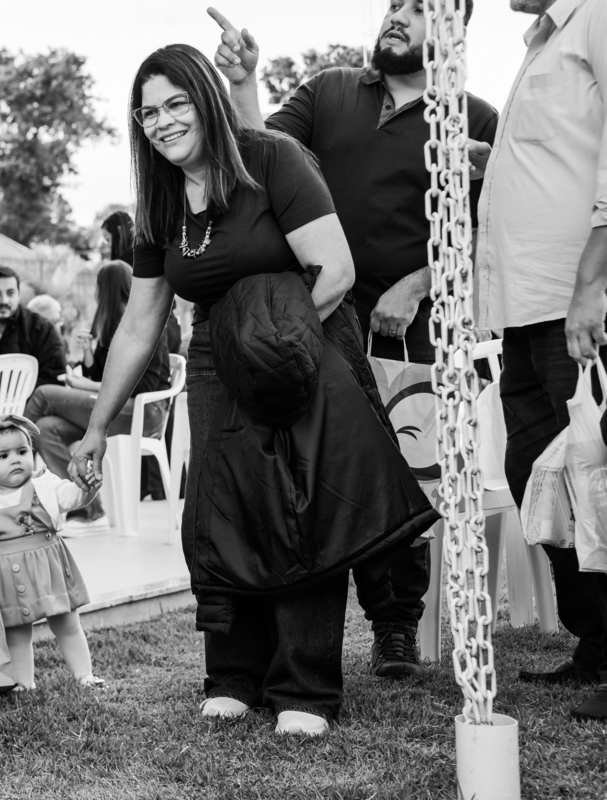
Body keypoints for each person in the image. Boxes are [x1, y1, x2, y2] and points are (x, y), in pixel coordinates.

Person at [71, 41, 409, 736]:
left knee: (298, 510)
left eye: (175, 104)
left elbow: (335, 271)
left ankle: (305, 689)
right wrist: (98, 424)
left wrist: (269, 344)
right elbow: (140, 324)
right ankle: (233, 675)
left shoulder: (271, 160)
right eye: (147, 114)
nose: (161, 122)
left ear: (207, 98)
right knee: (224, 513)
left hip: (298, 350)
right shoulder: (159, 201)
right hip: (213, 364)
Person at [209, 1, 499, 679]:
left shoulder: (475, 117)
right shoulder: (329, 91)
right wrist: (244, 83)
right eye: (395, 3)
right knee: (317, 470)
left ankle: (395, 626)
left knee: (399, 472)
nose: (399, 15)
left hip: (411, 329)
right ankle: (304, 632)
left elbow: (484, 230)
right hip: (319, 315)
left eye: (420, 9)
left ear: (454, 30)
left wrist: (418, 284)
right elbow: (261, 158)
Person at [477, 0, 607, 720]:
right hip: (521, 306)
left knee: (596, 477)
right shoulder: (540, 40)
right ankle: (597, 644)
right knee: (538, 474)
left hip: (573, 298)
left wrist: (593, 285)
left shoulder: (599, 17)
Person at [0, 416, 106, 690]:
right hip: (6, 576)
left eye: (22, 452)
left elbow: (72, 497)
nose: (15, 459)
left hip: (47, 566)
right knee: (17, 634)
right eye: (3, 456)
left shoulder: (44, 485)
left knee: (67, 623)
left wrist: (86, 487)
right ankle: (24, 684)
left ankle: (85, 675)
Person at [25, 261, 171, 525]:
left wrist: (85, 385)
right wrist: (89, 354)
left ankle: (9, 470)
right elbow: (103, 377)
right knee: (46, 428)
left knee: (44, 395)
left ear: (105, 289)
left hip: (144, 412)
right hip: (119, 411)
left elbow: (142, 386)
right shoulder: (113, 324)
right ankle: (86, 510)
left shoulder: (142, 323)